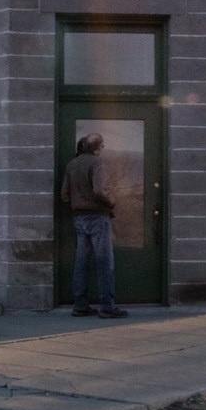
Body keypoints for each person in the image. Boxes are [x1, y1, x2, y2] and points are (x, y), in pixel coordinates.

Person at [61, 132, 128, 318]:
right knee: (105, 262)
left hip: (79, 218)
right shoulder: (97, 163)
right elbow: (100, 190)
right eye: (102, 146)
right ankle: (107, 306)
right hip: (98, 217)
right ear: (97, 148)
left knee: (81, 262)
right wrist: (112, 202)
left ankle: (80, 305)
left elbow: (64, 195)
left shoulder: (71, 165)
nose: (103, 149)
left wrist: (78, 205)